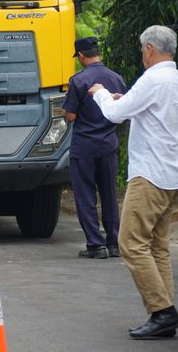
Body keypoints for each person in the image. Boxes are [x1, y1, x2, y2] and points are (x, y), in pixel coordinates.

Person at [89, 25, 178, 339]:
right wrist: (125, 100)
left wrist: (100, 93)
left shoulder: (153, 79)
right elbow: (153, 113)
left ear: (148, 49)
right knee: (157, 247)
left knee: (130, 243)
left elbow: (115, 114)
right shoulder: (177, 81)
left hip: (149, 176)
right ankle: (164, 312)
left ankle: (162, 311)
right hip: (172, 176)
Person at [63, 37, 126, 259]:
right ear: (97, 52)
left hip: (84, 148)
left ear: (81, 56)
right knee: (109, 195)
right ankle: (114, 244)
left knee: (86, 197)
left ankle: (95, 245)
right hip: (108, 145)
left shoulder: (79, 80)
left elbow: (70, 115)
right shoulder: (116, 78)